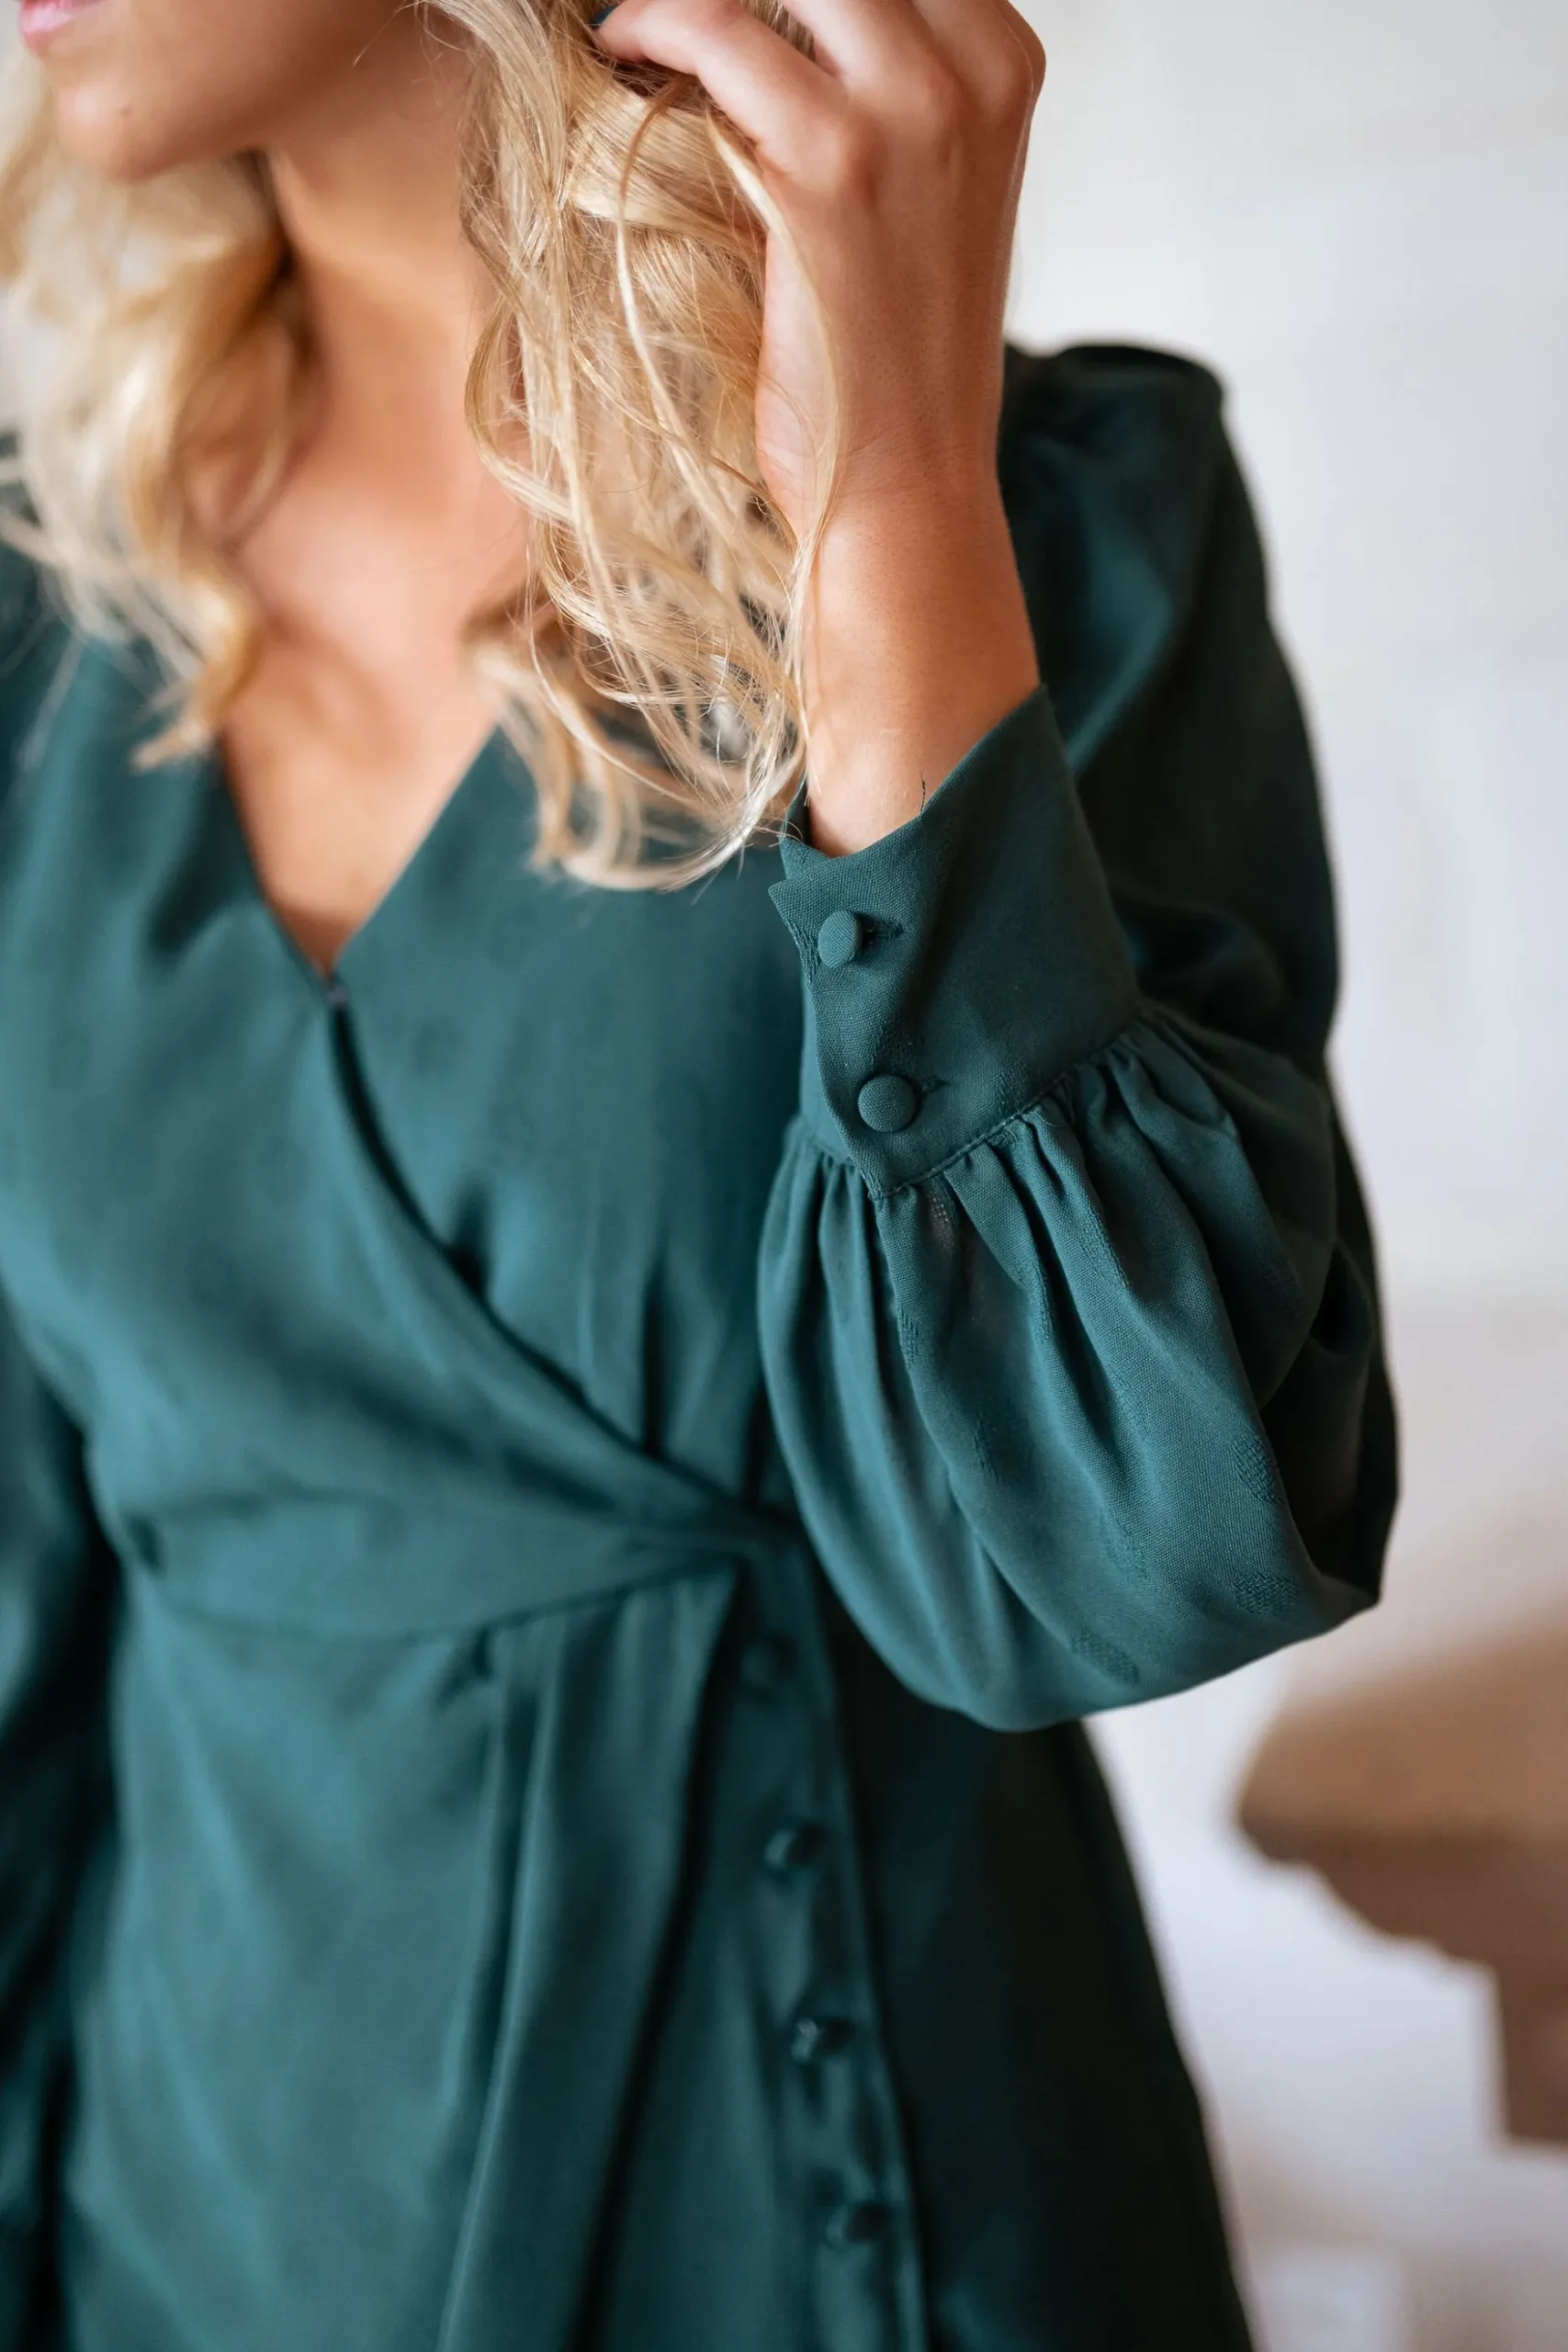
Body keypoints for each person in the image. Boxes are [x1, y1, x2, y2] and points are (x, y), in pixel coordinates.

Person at [0, 2, 1397, 2347]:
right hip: (192, 2247)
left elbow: (1117, 1570)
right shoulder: (45, 632)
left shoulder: (1050, 521)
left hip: (871, 2234)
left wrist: (891, 517)